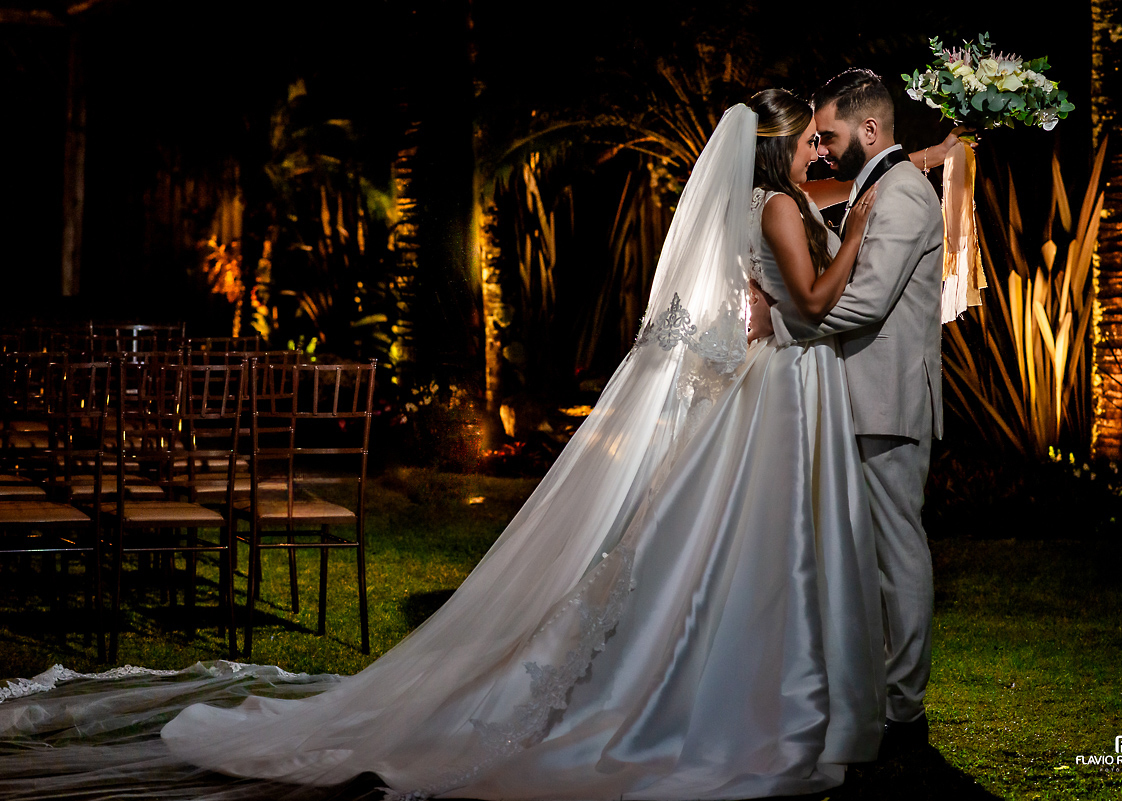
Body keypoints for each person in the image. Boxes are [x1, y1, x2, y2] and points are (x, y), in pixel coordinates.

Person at [0, 89, 957, 801]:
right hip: (776, 401)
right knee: (754, 562)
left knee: (728, 561)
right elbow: (822, 300)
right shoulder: (786, 209)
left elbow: (769, 297)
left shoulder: (755, 209)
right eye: (815, 139)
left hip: (770, 400)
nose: (823, 150)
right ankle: (746, 703)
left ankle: (742, 688)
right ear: (784, 145)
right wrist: (861, 222)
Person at [774, 69, 946, 757]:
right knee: (866, 556)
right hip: (863, 397)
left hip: (889, 400)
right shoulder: (878, 187)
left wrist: (785, 325)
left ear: (869, 130)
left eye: (831, 134)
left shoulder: (902, 193)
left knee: (898, 554)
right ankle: (877, 696)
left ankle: (907, 711)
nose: (822, 146)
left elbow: (868, 301)